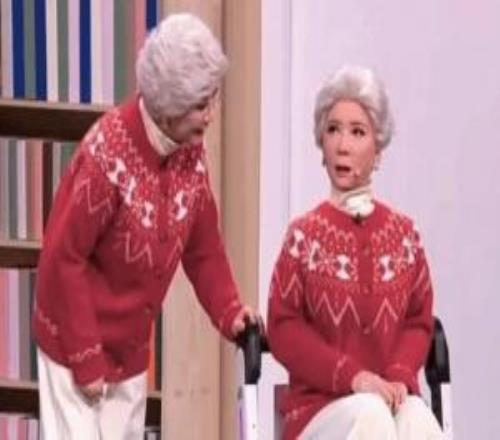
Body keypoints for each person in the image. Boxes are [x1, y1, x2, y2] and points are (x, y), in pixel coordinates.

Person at [33, 13, 258, 440]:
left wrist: (230, 312)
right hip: (73, 341)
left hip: (130, 349)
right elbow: (63, 259)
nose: (211, 115)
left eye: (213, 100)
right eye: (200, 106)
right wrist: (86, 358)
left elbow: (203, 249)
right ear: (167, 108)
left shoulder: (189, 154)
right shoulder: (106, 156)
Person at [267, 65, 444, 439]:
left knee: (418, 417)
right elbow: (283, 328)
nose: (342, 145)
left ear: (377, 149)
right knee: (370, 413)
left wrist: (398, 375)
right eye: (333, 130)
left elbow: (418, 320)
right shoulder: (303, 236)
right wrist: (354, 376)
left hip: (388, 400)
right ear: (322, 143)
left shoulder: (405, 236)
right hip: (317, 412)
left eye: (357, 132)